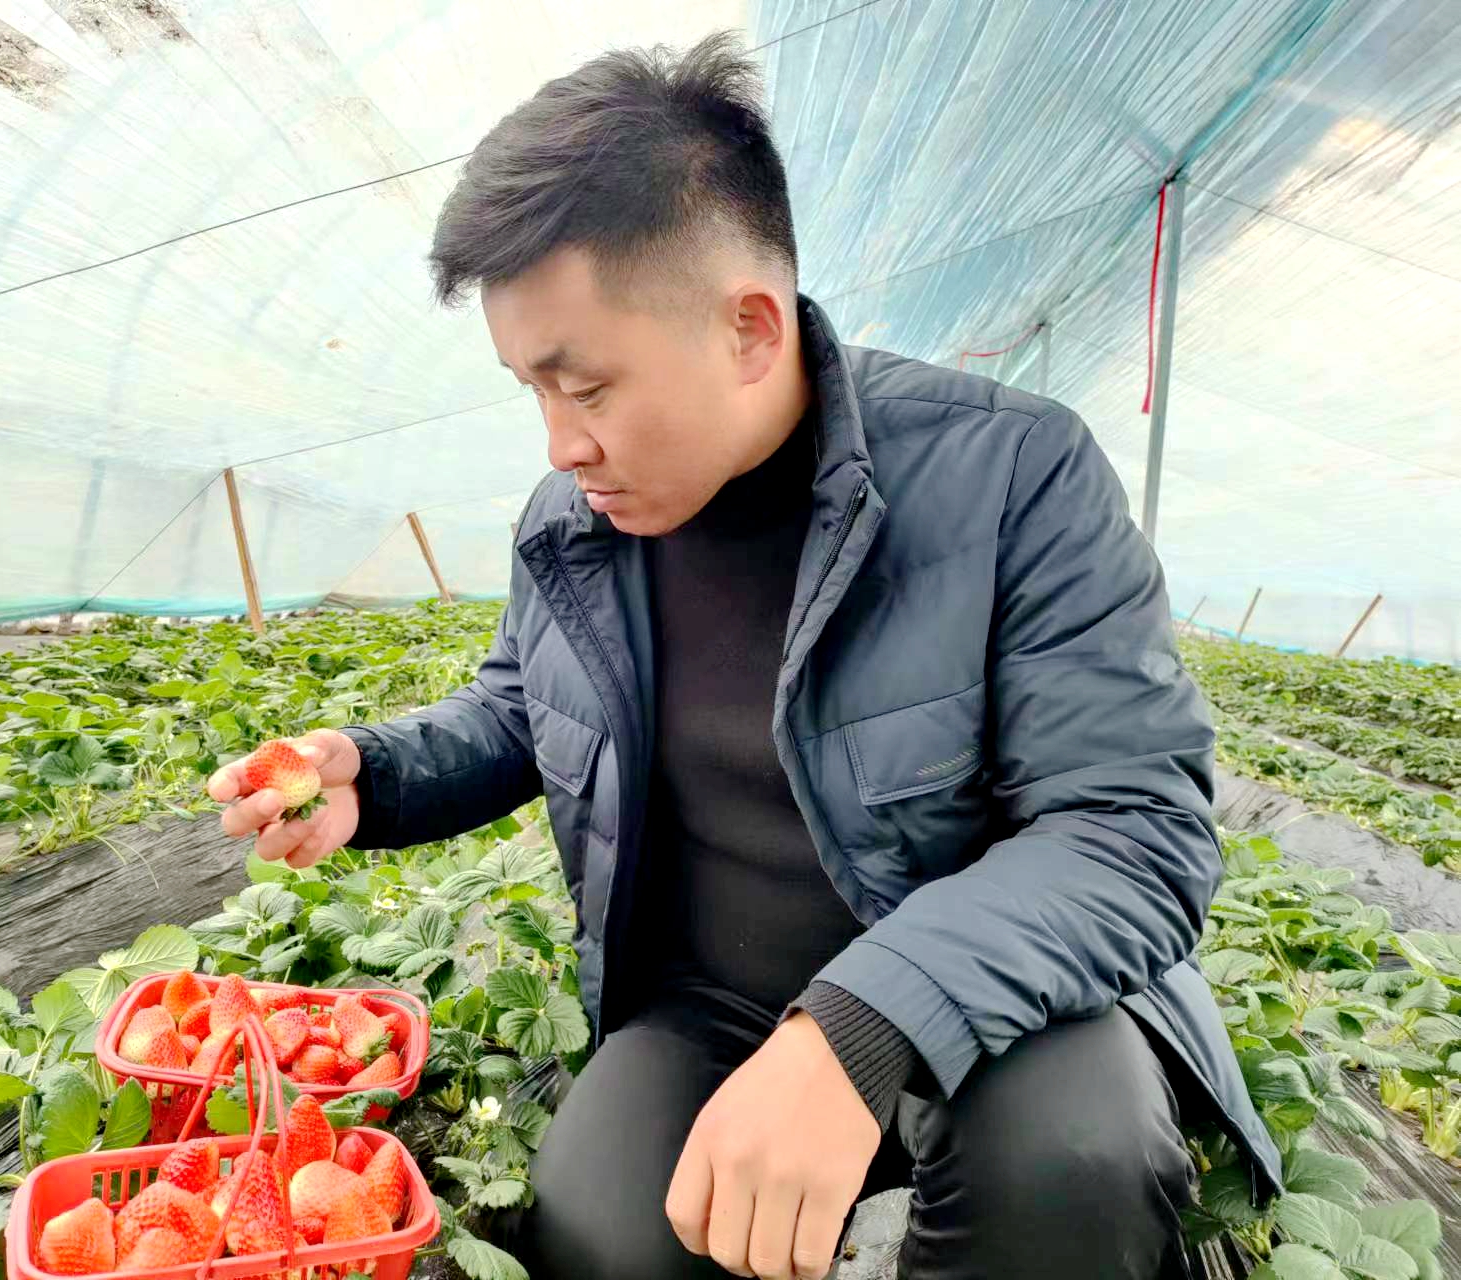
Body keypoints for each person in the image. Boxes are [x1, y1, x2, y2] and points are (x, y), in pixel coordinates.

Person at [208, 30, 1280, 1280]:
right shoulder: (571, 521)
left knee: (1068, 1167)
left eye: (585, 387)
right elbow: (521, 707)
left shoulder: (1009, 474)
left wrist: (857, 1025)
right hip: (709, 1003)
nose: (559, 443)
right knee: (598, 1228)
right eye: (529, 391)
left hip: (994, 1008)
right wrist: (374, 774)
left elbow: (1128, 827)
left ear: (749, 330)